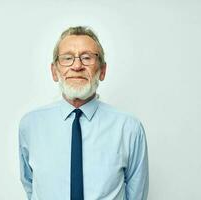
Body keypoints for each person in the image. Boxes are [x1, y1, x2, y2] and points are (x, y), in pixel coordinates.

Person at [18, 26, 149, 200]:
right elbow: (30, 184)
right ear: (54, 71)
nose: (77, 65)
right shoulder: (30, 125)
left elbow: (137, 194)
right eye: (67, 58)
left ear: (102, 70)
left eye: (87, 58)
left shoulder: (129, 128)